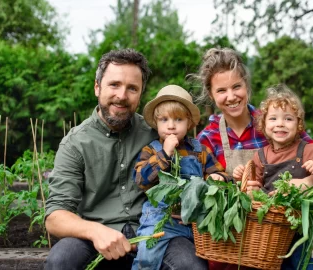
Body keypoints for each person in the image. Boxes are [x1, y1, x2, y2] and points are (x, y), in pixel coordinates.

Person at [44, 49, 206, 270]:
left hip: (156, 232)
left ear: (140, 95)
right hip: (96, 239)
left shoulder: (157, 133)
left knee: (191, 265)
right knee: (61, 260)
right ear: (97, 87)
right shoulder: (75, 144)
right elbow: (55, 216)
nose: (122, 95)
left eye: (132, 88)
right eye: (114, 85)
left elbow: (194, 164)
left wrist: (186, 204)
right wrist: (95, 231)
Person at [189, 48, 313, 270]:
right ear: (211, 95)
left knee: (311, 261)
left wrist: (309, 181)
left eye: (236, 87)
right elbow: (197, 188)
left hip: (280, 230)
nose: (231, 96)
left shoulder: (273, 122)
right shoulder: (207, 138)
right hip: (230, 241)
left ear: (246, 87)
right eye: (221, 90)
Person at [245, 85, 313, 269]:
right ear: (264, 125)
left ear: (298, 124)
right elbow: (256, 184)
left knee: (309, 260)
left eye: (288, 119)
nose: (280, 123)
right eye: (273, 118)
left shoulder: (307, 150)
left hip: (301, 226)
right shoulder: (260, 155)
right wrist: (253, 189)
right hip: (272, 228)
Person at [132, 85, 229, 270]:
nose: (171, 125)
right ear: (156, 122)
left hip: (192, 223)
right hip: (159, 220)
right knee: (147, 257)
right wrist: (165, 154)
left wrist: (219, 178)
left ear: (189, 123)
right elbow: (140, 179)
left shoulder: (199, 150)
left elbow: (220, 173)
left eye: (178, 119)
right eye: (164, 120)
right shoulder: (151, 150)